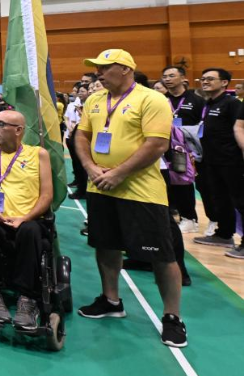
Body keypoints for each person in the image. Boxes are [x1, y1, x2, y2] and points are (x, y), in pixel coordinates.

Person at [75, 49, 186, 348]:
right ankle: (111, 300)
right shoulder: (95, 100)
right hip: (100, 186)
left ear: (125, 69)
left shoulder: (152, 99)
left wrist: (119, 173)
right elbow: (82, 135)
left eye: (104, 67)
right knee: (105, 245)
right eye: (96, 68)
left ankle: (172, 317)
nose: (98, 73)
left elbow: (157, 144)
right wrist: (90, 167)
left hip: (141, 191)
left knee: (161, 255)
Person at [0, 109, 54, 329]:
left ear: (18, 130)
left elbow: (46, 196)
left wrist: (25, 218)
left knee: (31, 230)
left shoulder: (39, 154)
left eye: (1, 124)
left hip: (27, 220)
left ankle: (27, 298)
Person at [192, 68, 244, 256]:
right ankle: (224, 234)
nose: (205, 82)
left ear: (224, 82)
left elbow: (239, 129)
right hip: (211, 160)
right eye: (203, 79)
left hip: (231, 160)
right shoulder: (208, 103)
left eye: (210, 79)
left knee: (240, 200)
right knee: (220, 198)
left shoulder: (232, 104)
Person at [160, 66, 204, 233]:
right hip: (165, 147)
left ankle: (190, 218)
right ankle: (175, 215)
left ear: (183, 78)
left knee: (184, 183)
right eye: (165, 76)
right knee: (169, 182)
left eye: (172, 76)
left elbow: (202, 126)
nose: (167, 79)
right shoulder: (161, 100)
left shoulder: (196, 100)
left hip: (187, 150)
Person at [66, 84, 90, 200]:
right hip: (74, 132)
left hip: (83, 135)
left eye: (82, 91)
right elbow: (68, 118)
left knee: (83, 165)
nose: (79, 93)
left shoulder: (89, 105)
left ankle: (83, 190)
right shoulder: (75, 105)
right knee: (77, 163)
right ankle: (80, 186)